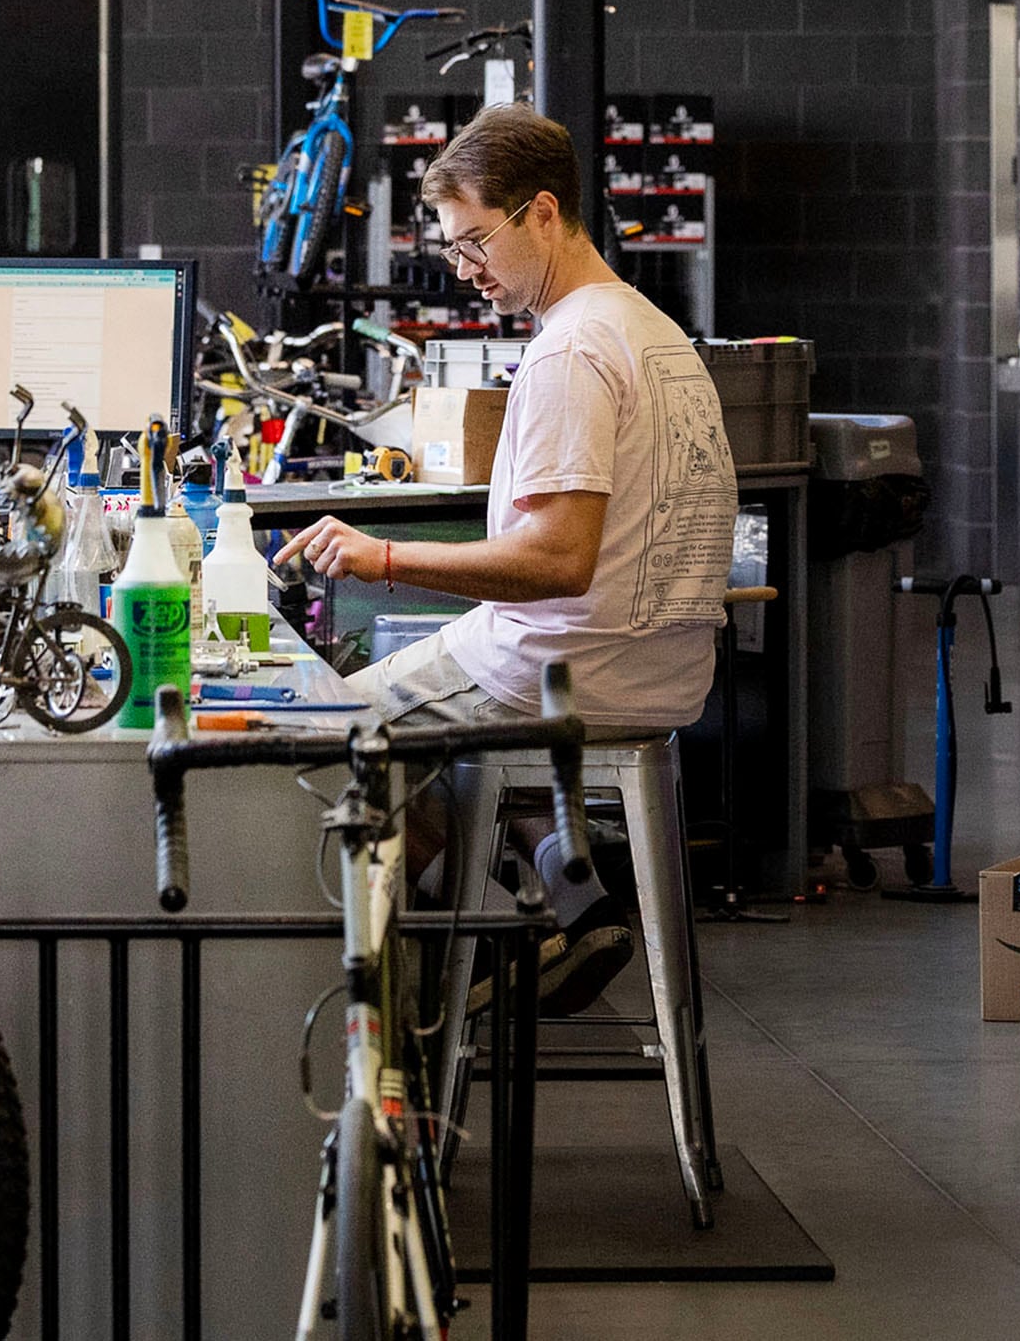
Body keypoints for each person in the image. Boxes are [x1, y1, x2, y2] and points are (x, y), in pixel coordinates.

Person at [281, 104, 739, 1008]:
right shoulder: (649, 327)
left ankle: (422, 1007)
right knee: (401, 682)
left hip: (568, 665)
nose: (466, 272)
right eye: (453, 251)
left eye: (474, 243)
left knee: (317, 741)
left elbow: (558, 562)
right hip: (660, 667)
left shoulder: (571, 349)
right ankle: (561, 892)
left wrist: (381, 556)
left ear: (540, 212)